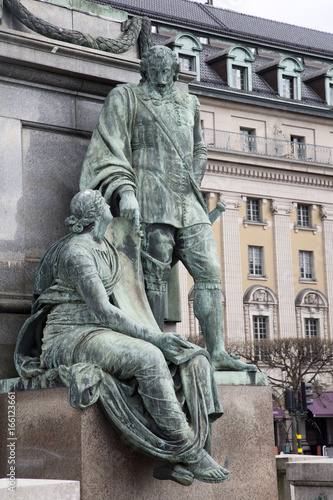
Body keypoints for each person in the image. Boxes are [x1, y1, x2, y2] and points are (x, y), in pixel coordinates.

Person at [14, 189, 229, 486]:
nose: (108, 205)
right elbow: (104, 310)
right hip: (69, 337)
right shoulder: (77, 253)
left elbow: (148, 273)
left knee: (192, 357)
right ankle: (188, 452)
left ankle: (170, 457)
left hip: (101, 333)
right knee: (149, 356)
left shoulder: (108, 247)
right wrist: (157, 338)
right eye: (103, 202)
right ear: (95, 214)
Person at [80, 45, 256, 371]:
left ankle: (216, 352)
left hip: (187, 202)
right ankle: (156, 347)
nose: (162, 82)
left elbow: (200, 148)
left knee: (210, 272)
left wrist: (194, 179)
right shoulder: (126, 97)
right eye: (156, 75)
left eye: (168, 75)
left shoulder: (190, 102)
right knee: (154, 277)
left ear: (175, 72)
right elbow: (110, 148)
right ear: (145, 71)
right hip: (149, 198)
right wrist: (126, 192)